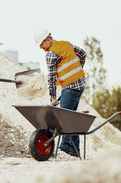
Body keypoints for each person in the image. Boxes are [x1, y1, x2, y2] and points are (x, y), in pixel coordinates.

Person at [34, 28, 86, 158]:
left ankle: (65, 148)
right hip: (80, 84)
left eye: (42, 44)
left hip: (70, 87)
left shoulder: (51, 54)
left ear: (48, 40)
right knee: (70, 115)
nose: (42, 48)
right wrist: (77, 70)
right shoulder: (65, 44)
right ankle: (74, 150)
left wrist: (52, 96)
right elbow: (83, 54)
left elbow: (51, 77)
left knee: (64, 117)